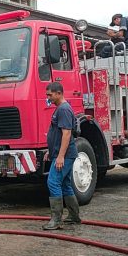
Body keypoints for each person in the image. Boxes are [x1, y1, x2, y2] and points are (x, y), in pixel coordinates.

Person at [42, 82, 81, 230]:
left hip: (65, 155)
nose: (48, 97)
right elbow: (57, 135)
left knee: (53, 182)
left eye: (49, 95)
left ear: (58, 93)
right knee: (65, 184)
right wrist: (50, 151)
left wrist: (60, 157)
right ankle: (74, 216)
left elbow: (66, 134)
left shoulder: (63, 109)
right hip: (62, 154)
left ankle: (56, 220)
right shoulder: (60, 109)